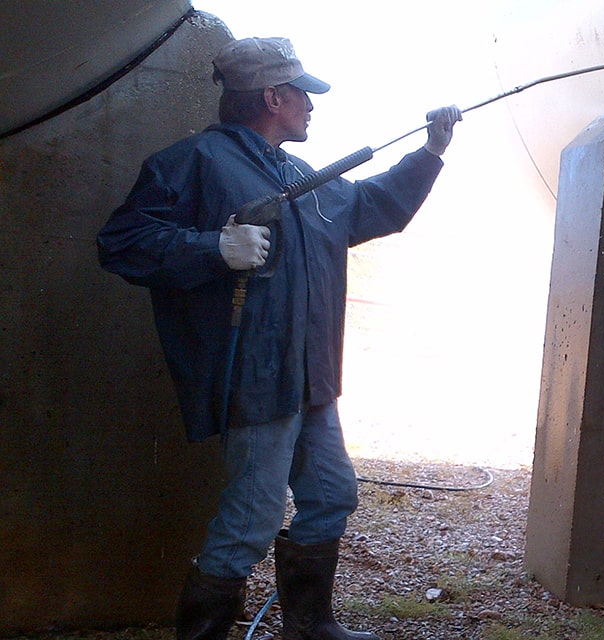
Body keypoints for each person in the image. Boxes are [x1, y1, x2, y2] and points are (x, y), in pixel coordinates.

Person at [96, 36, 461, 640]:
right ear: (271, 97)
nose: (311, 105)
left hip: (310, 377)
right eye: (302, 94)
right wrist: (213, 247)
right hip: (255, 377)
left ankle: (310, 627)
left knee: (332, 493)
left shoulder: (298, 174)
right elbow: (121, 243)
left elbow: (370, 206)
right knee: (252, 518)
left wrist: (430, 152)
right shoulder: (192, 163)